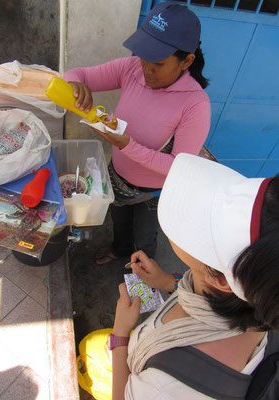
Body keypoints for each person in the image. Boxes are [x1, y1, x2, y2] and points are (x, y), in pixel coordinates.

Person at [109, 153, 279, 399]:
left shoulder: (168, 387)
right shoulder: (265, 296)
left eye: (200, 224)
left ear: (220, 279)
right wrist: (167, 282)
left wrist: (120, 335)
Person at [63, 2, 211, 264]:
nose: (146, 69)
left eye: (159, 63)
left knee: (144, 242)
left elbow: (180, 166)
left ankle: (142, 284)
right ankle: (119, 250)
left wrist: (128, 145)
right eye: (144, 57)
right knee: (118, 220)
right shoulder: (131, 68)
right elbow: (81, 74)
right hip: (117, 176)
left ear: (186, 61)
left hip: (150, 193)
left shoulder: (195, 104)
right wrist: (73, 83)